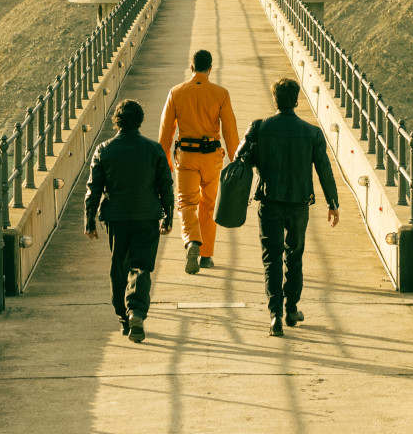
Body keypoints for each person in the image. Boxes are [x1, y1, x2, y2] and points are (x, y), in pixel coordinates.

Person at [234, 77, 338, 337]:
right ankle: (292, 308)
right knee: (294, 255)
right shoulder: (311, 132)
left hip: (269, 203)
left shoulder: (259, 128)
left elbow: (239, 158)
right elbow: (324, 169)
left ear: (275, 100)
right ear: (296, 101)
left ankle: (275, 316)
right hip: (299, 203)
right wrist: (332, 203)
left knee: (271, 258)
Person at [85, 99, 175, 343]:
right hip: (147, 216)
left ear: (117, 121)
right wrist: (168, 214)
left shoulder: (104, 149)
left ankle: (124, 318)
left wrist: (89, 220)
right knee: (142, 265)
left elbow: (93, 188)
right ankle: (136, 310)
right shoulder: (154, 150)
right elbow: (166, 185)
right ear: (140, 121)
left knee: (120, 267)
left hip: (117, 217)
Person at [158, 48, 239, 275]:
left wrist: (165, 162)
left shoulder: (176, 92)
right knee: (209, 204)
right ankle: (206, 255)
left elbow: (166, 132)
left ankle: (192, 240)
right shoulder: (221, 94)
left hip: (186, 156)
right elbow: (230, 131)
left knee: (186, 203)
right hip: (212, 158)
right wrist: (236, 160)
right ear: (210, 69)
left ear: (191, 67)